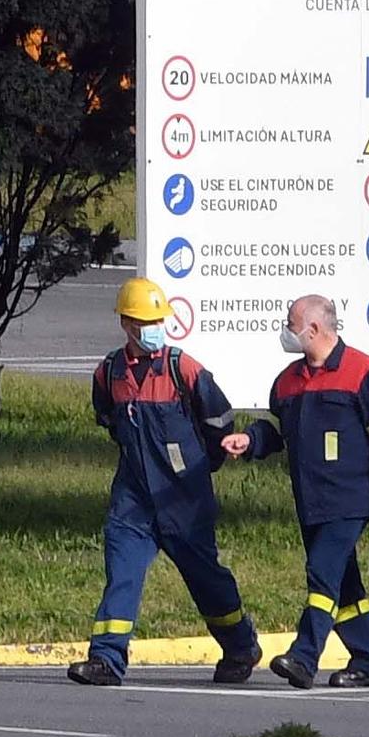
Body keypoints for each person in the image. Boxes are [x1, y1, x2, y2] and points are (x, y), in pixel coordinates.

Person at [68, 278, 262, 687]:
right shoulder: (109, 373)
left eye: (159, 319)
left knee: (205, 579)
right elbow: (109, 420)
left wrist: (204, 465)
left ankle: (241, 645)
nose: (155, 327)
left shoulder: (182, 368)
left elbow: (218, 420)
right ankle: (106, 659)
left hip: (184, 500)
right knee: (122, 573)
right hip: (134, 499)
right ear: (126, 324)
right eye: (145, 320)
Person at [223, 295, 369, 688]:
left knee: (321, 573)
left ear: (314, 329)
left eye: (290, 324)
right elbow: (274, 430)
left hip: (350, 499)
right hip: (310, 501)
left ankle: (304, 657)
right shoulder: (288, 380)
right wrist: (249, 440)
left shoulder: (362, 372)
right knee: (344, 585)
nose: (285, 330)